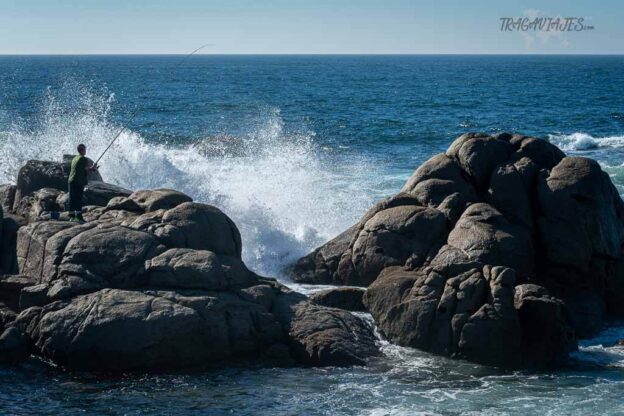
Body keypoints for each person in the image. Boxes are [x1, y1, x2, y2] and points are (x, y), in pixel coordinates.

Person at [67, 144, 98, 222]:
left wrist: (91, 168)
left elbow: (81, 169)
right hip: (78, 181)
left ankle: (71, 216)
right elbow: (87, 171)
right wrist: (93, 168)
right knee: (78, 199)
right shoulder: (83, 159)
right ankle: (79, 217)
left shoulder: (75, 158)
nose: (85, 150)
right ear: (82, 150)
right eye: (84, 149)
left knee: (72, 199)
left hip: (71, 180)